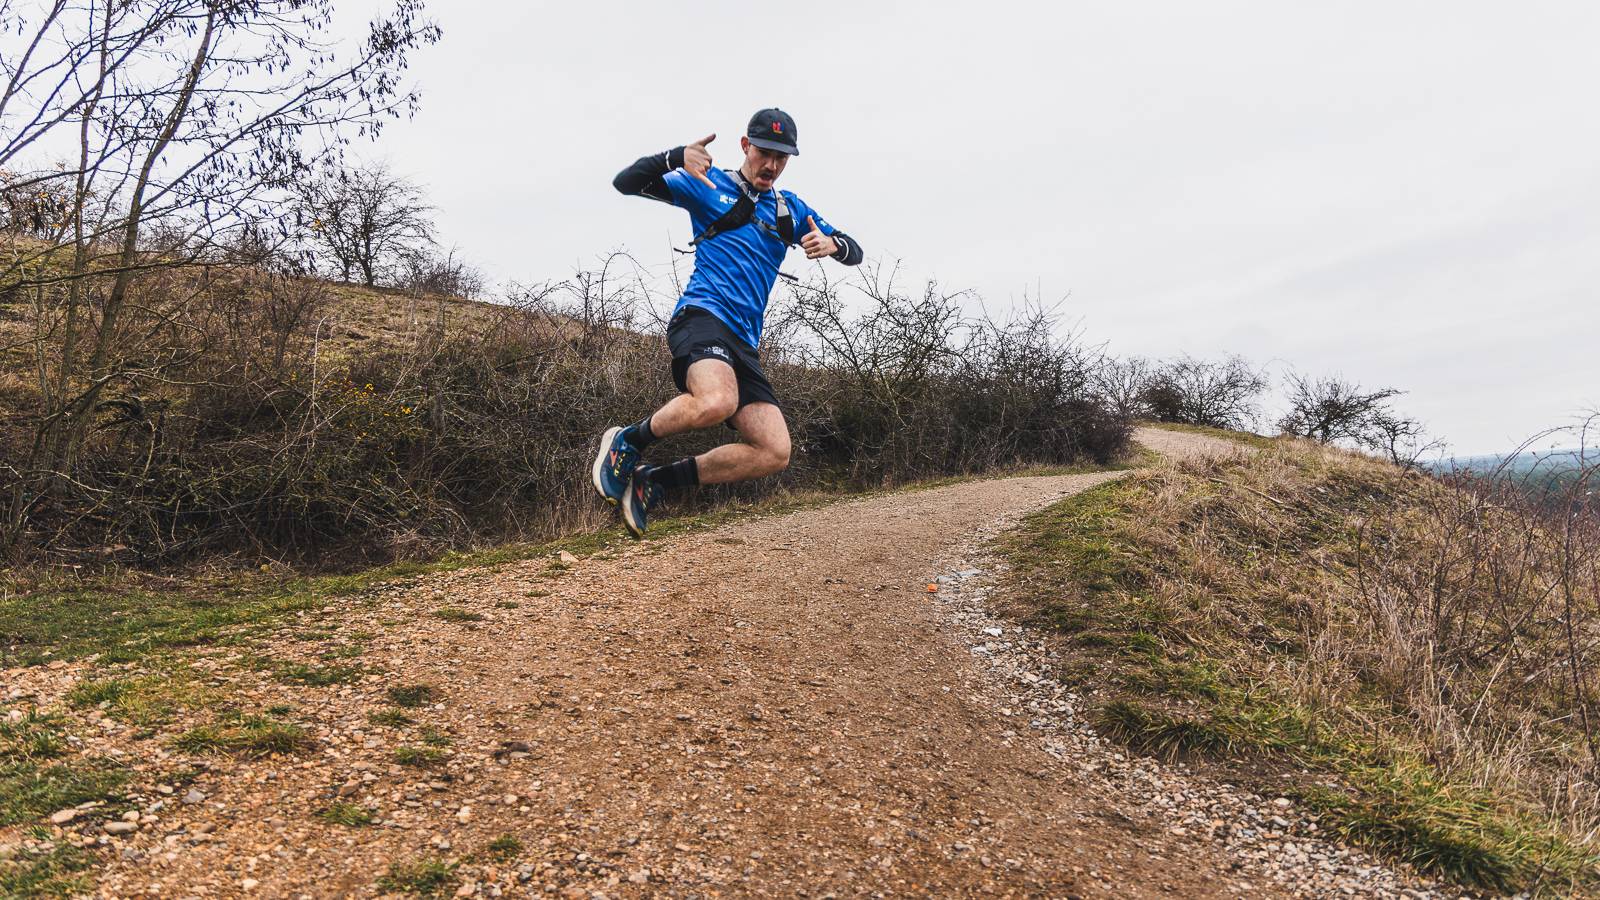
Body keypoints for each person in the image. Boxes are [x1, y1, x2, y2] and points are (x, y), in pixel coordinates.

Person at [597, 108, 865, 536]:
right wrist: (673, 157)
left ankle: (654, 481)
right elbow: (625, 183)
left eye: (781, 157)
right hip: (702, 315)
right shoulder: (707, 185)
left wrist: (834, 245)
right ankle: (627, 442)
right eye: (764, 153)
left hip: (743, 341)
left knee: (774, 450)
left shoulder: (789, 209)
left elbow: (855, 250)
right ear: (745, 146)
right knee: (716, 401)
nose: (771, 165)